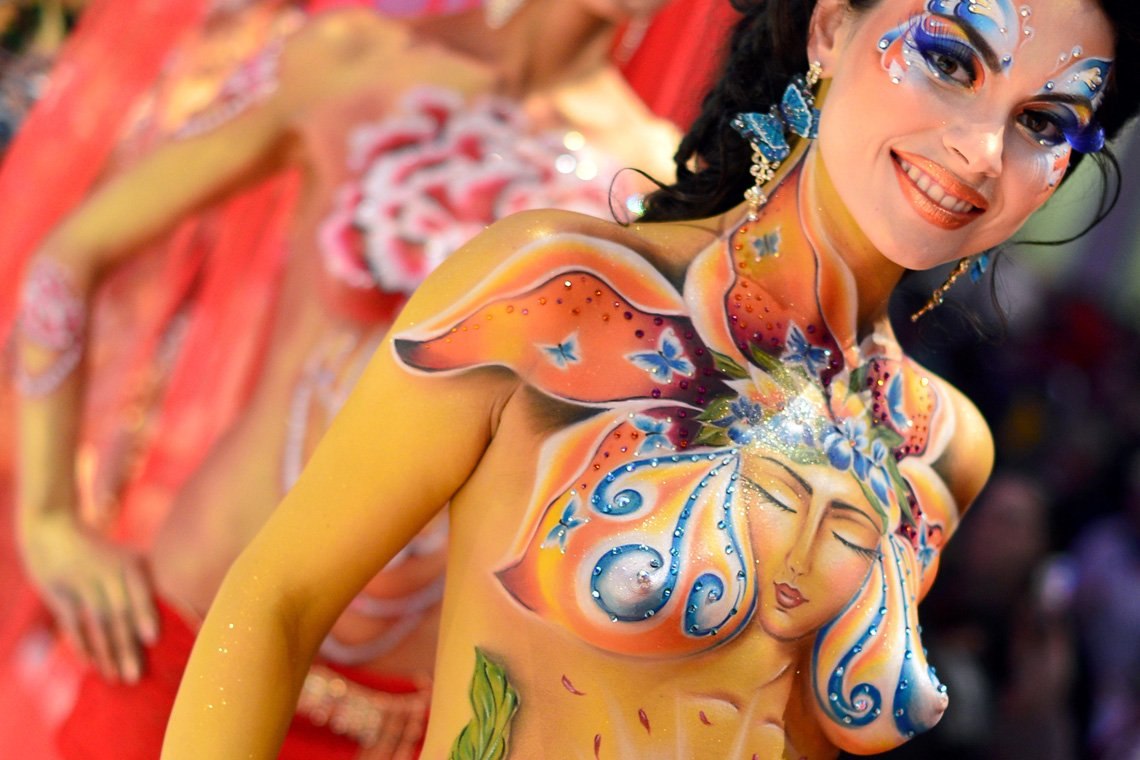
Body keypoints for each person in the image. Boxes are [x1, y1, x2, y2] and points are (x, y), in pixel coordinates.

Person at [163, 0, 1139, 757]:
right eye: (951, 62)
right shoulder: (555, 291)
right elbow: (278, 600)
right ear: (831, 29)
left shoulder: (941, 446)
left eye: (1043, 122)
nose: (981, 152)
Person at [11, 0, 685, 757]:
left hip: (391, 727)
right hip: (183, 660)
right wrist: (49, 522)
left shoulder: (658, 188)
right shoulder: (350, 60)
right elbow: (67, 260)